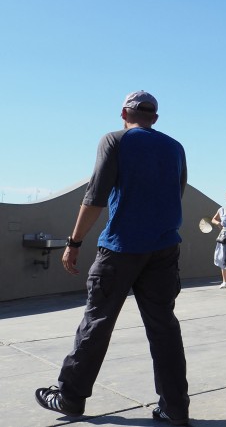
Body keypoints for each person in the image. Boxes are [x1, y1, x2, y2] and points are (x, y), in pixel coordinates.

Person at [34, 91, 191, 426]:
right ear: (155, 118)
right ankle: (175, 408)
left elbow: (95, 196)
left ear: (124, 112)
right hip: (164, 250)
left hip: (120, 249)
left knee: (97, 323)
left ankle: (70, 397)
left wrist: (74, 242)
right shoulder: (175, 148)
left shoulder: (115, 140)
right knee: (164, 328)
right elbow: (176, 194)